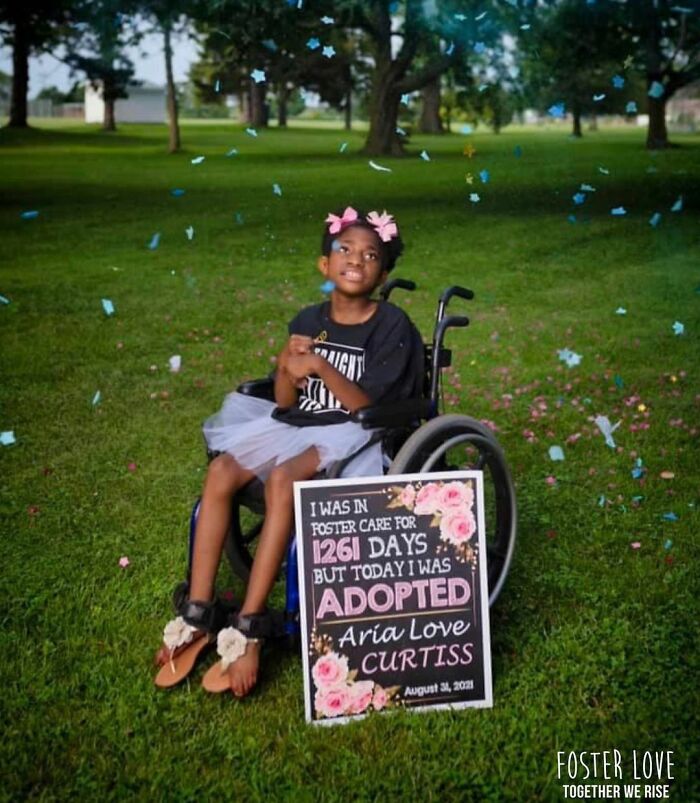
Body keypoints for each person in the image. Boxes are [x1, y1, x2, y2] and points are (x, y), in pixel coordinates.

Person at [154, 206, 422, 697]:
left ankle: (251, 625)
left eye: (370, 255)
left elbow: (370, 410)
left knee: (281, 480)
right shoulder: (307, 319)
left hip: (356, 433)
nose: (356, 260)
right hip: (294, 425)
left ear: (384, 272)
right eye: (344, 250)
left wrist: (320, 365)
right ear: (325, 266)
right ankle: (198, 613)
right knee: (221, 473)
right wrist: (286, 369)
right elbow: (284, 401)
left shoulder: (391, 326)